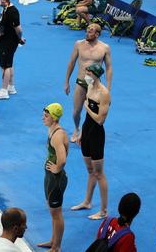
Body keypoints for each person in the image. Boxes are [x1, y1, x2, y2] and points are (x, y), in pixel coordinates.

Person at [71, 63, 111, 220]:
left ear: (96, 74)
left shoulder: (104, 93)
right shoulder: (89, 86)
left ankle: (103, 210)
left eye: (88, 72)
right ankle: (87, 202)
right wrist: (81, 131)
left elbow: (100, 120)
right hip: (86, 131)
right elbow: (89, 116)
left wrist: (87, 107)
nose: (86, 74)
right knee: (90, 171)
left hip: (97, 135)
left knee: (99, 174)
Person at [64, 23, 112, 142]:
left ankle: (86, 133)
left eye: (91, 31)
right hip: (81, 81)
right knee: (76, 111)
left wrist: (108, 88)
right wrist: (66, 81)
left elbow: (109, 68)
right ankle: (76, 128)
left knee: (92, 112)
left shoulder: (105, 48)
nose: (87, 33)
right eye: (87, 30)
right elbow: (71, 63)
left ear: (97, 34)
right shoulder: (78, 44)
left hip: (95, 84)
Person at [37, 103, 69, 252]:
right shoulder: (52, 130)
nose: (43, 118)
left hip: (55, 180)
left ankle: (57, 247)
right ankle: (53, 240)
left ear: (54, 118)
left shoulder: (57, 135)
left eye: (46, 116)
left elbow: (62, 159)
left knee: (57, 213)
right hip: (50, 178)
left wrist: (56, 169)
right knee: (53, 212)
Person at [0, 0, 24, 100]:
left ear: (4, 1)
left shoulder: (12, 11)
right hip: (4, 40)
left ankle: (4, 91)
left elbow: (18, 29)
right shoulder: (5, 8)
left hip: (9, 42)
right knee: (8, 63)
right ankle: (11, 86)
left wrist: (19, 39)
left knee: (6, 66)